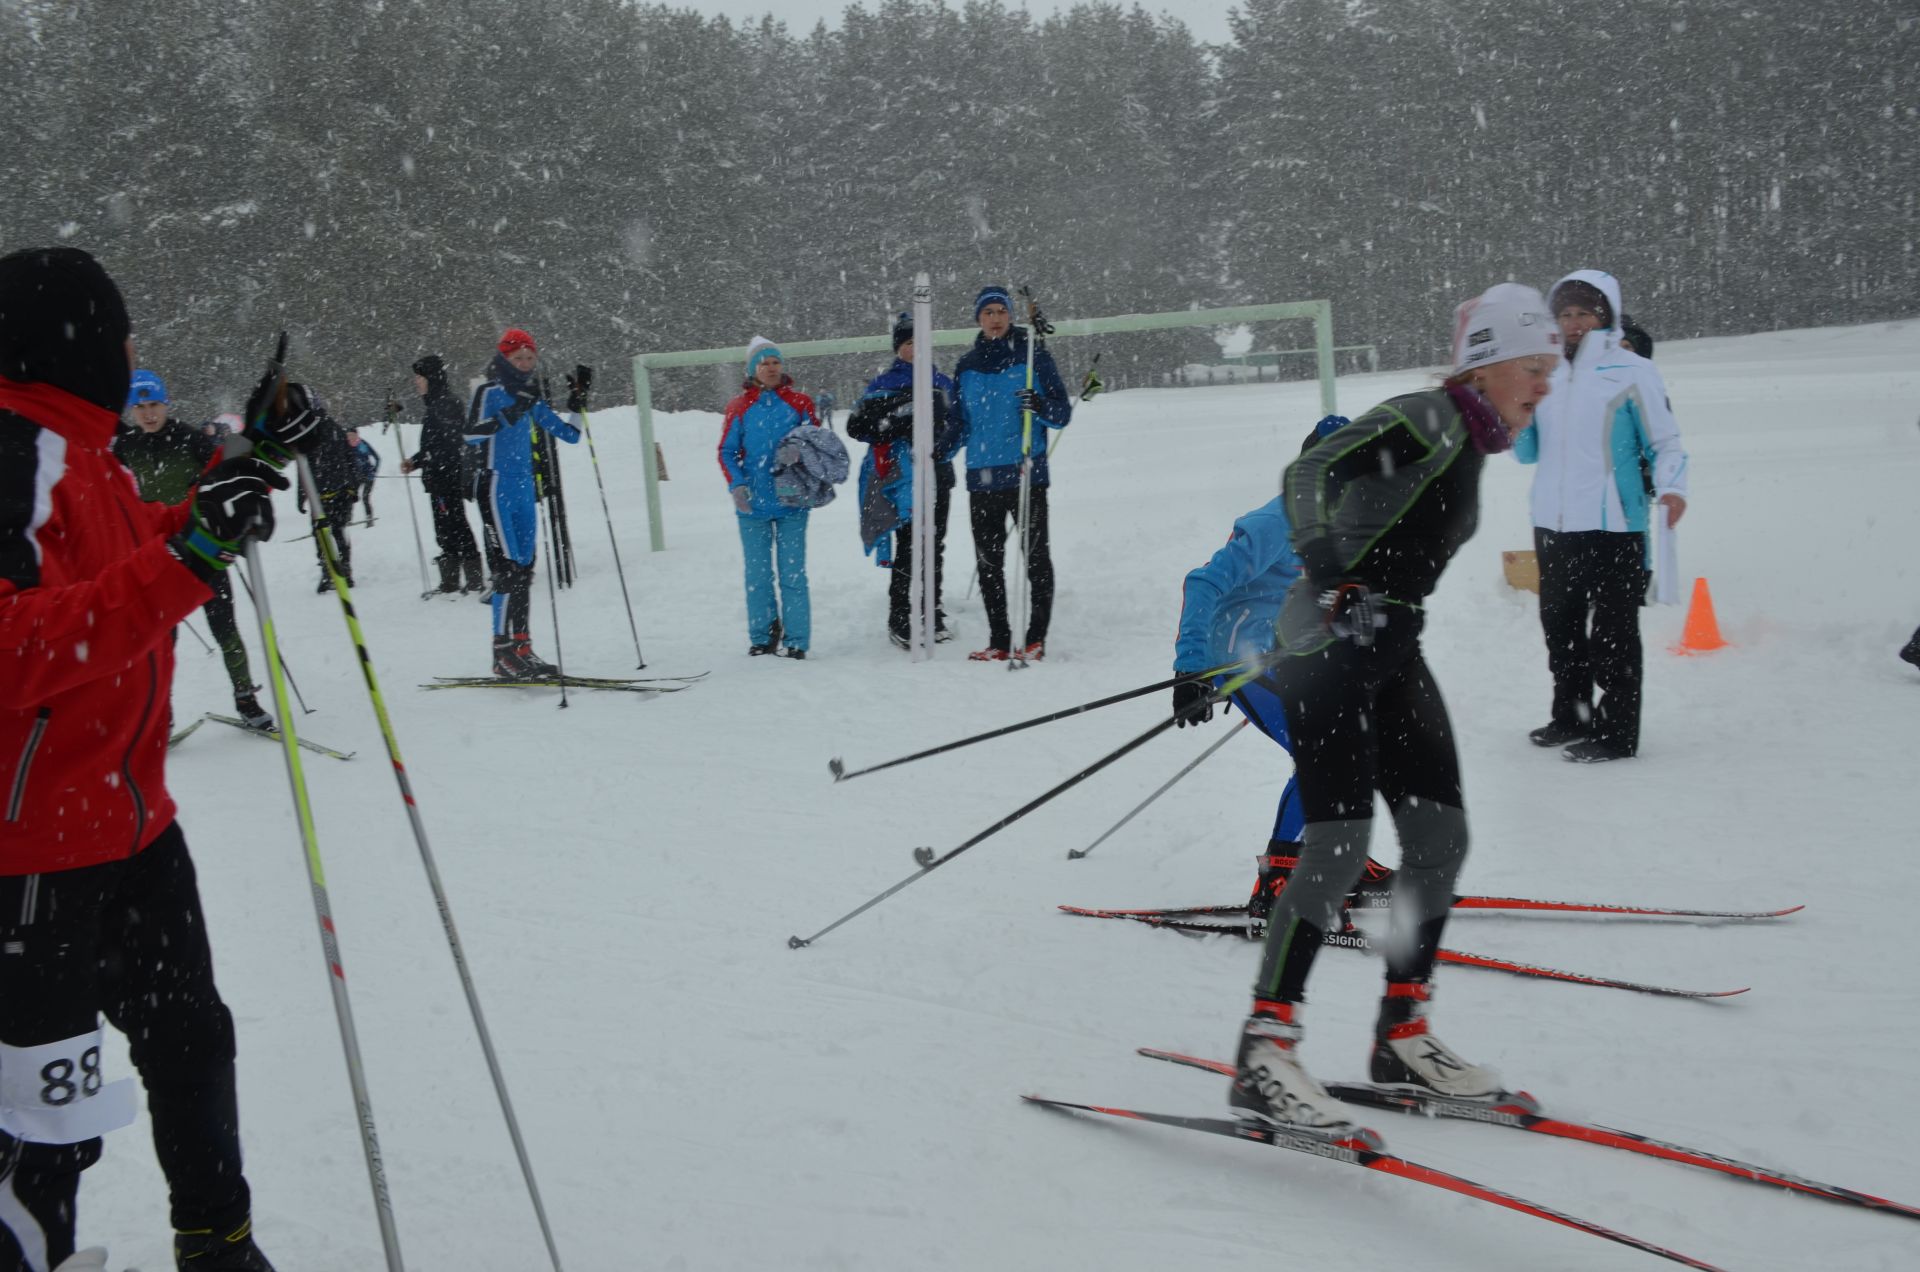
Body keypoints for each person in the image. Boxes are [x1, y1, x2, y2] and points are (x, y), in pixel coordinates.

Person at [1, 244, 312, 1271]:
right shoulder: (11, 456)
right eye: (120, 334)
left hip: (131, 821)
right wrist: (188, 562)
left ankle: (217, 1241)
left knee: (190, 1042)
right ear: (71, 342)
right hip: (31, 852)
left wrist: (242, 477)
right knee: (44, 1122)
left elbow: (147, 555)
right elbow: (14, 645)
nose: (132, 350)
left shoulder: (82, 451)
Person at [1226, 282, 1558, 1136]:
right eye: (1532, 366)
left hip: (1393, 648)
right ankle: (1266, 1048)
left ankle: (1402, 1032)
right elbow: (1311, 471)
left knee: (1439, 839)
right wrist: (1332, 571)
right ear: (1485, 365)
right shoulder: (1429, 418)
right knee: (1337, 847)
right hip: (1329, 647)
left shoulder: (1475, 441)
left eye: (1551, 367)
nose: (1545, 383)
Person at [1170, 415, 1395, 923]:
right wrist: (1192, 669)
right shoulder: (1278, 521)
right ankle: (1282, 877)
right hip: (1240, 651)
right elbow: (1203, 582)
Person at [1514, 269, 1689, 762]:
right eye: (1565, 314)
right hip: (1553, 523)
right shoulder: (1545, 373)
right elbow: (1527, 453)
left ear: (1606, 316)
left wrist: (1674, 488)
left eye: (1584, 313)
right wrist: (1517, 412)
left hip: (1616, 525)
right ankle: (1571, 717)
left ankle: (1616, 734)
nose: (1574, 323)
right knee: (1561, 628)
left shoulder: (1633, 372)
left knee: (1614, 636)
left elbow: (1665, 443)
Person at [112, 370, 275, 731]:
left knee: (225, 628)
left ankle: (246, 699)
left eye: (154, 404)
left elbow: (226, 477)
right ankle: (160, 713)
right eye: (139, 408)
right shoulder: (125, 448)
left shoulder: (192, 440)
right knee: (159, 642)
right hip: (154, 557)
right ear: (130, 411)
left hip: (202, 549)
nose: (148, 413)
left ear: (166, 403)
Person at [950, 286, 1072, 661]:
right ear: (978, 319)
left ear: (1011, 315)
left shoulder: (1033, 357)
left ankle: (1035, 639)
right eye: (988, 312)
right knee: (989, 564)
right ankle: (999, 641)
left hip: (1025, 474)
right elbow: (959, 423)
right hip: (981, 475)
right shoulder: (966, 366)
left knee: (1036, 559)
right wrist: (935, 449)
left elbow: (1061, 413)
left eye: (1001, 311)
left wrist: (1039, 405)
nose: (995, 318)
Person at [465, 327, 582, 678]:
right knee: (506, 571)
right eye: (519, 358)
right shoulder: (489, 391)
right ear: (504, 359)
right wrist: (506, 416)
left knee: (524, 571)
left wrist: (578, 402)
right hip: (495, 485)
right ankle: (500, 653)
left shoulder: (530, 394)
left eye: (530, 358)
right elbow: (470, 434)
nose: (526, 363)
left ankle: (522, 646)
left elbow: (570, 435)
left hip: (524, 490)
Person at [847, 313, 961, 648]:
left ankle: (931, 609)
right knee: (909, 546)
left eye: (921, 342)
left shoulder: (942, 382)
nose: (916, 349)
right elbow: (859, 426)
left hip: (938, 472)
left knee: (934, 544)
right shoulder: (885, 384)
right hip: (902, 476)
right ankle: (900, 614)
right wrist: (898, 423)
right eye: (910, 343)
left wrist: (941, 447)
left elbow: (957, 425)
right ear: (899, 348)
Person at [718, 337, 819, 659]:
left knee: (793, 574)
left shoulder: (800, 403)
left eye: (776, 361)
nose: (772, 368)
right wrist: (737, 484)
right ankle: (762, 636)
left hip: (793, 503)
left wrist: (800, 450)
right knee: (758, 576)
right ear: (753, 369)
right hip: (752, 506)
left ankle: (797, 640)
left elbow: (819, 443)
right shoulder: (738, 407)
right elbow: (727, 451)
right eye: (764, 363)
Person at [399, 354, 483, 594]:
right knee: (445, 527)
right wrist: (415, 462)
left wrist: (425, 460)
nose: (417, 382)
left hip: (448, 478)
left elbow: (449, 445)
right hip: (439, 478)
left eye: (420, 377)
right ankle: (450, 581)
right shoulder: (436, 404)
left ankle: (473, 579)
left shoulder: (446, 404)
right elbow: (433, 446)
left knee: (455, 524)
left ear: (432, 378)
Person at [293, 397, 362, 593]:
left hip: (321, 494)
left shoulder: (308, 435)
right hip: (342, 490)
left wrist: (301, 495)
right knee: (339, 530)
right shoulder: (338, 429)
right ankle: (345, 571)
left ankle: (327, 572)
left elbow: (303, 468)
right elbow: (351, 460)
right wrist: (353, 488)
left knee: (321, 533)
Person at [344, 427, 379, 521]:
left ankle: (369, 518)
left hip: (368, 476)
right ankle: (348, 519)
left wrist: (374, 470)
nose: (350, 437)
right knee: (350, 496)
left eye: (352, 435)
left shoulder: (363, 444)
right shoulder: (346, 446)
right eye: (348, 435)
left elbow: (377, 458)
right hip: (356, 477)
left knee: (365, 497)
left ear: (356, 435)